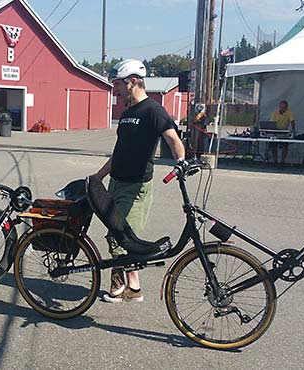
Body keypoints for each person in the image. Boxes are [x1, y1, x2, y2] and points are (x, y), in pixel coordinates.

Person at [95, 59, 185, 303]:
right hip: (116, 182)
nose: (114, 90)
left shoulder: (153, 111)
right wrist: (99, 176)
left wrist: (181, 161)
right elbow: (119, 151)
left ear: (132, 82)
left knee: (120, 235)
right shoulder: (126, 115)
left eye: (117, 85)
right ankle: (133, 287)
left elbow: (173, 139)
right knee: (125, 236)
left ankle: (120, 285)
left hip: (136, 186)